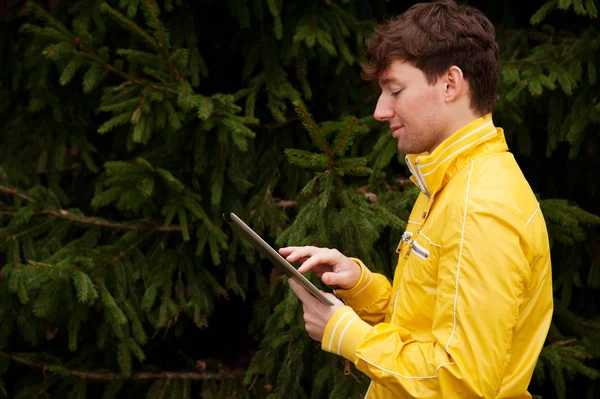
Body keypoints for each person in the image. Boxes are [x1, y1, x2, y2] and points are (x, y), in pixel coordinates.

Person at [278, 1, 554, 398]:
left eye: (395, 90)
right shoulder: (448, 179)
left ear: (450, 84)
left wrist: (345, 333)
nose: (379, 110)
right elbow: (429, 329)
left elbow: (462, 381)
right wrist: (362, 289)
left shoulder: (480, 206)